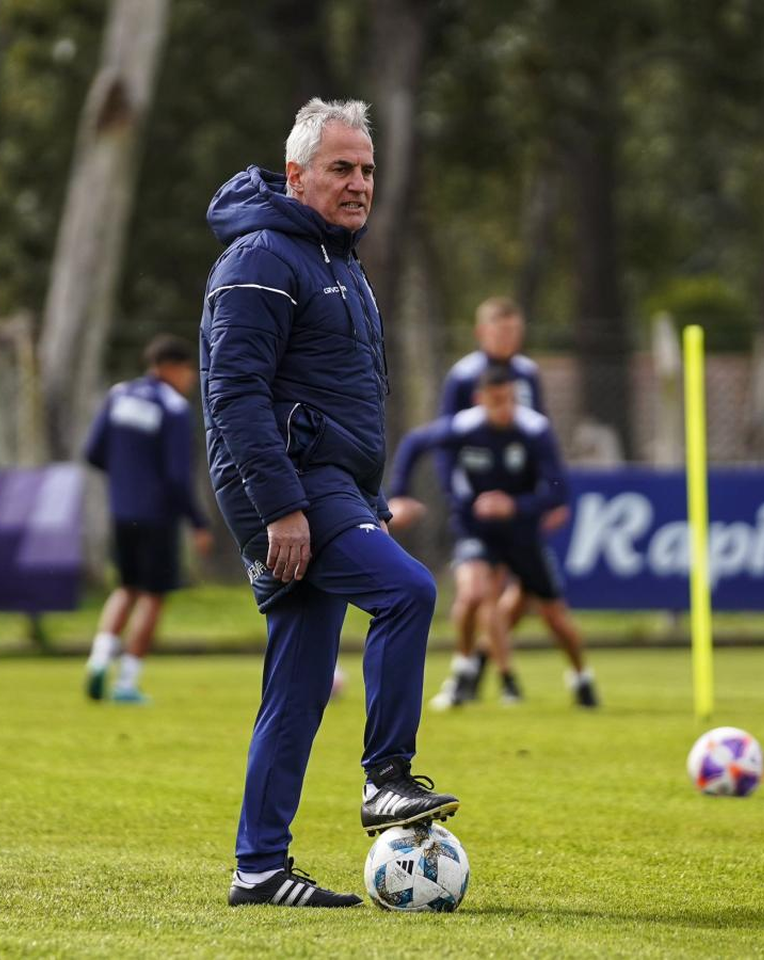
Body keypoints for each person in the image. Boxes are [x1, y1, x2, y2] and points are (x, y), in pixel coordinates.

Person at [201, 98, 458, 910]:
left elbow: (346, 400)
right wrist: (282, 508)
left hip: (327, 489)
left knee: (299, 689)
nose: (358, 184)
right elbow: (234, 396)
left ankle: (259, 870)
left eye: (367, 169)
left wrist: (367, 502)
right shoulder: (263, 256)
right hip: (288, 488)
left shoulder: (339, 262)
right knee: (408, 590)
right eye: (341, 168)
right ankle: (386, 778)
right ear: (297, 174)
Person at [388, 362, 599, 709]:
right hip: (477, 530)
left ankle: (582, 677)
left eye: (510, 400)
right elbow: (413, 444)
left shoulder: (534, 430)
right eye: (497, 400)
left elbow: (557, 492)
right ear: (479, 399)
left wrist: (513, 505)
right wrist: (399, 493)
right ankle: (464, 671)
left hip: (522, 533)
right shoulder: (464, 427)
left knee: (554, 617)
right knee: (473, 593)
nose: (505, 409)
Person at [435, 297, 571, 703]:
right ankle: (470, 674)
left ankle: (479, 662)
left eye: (514, 330)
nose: (508, 338)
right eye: (500, 330)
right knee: (480, 591)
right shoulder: (463, 377)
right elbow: (447, 440)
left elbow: (540, 435)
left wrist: (549, 499)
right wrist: (460, 497)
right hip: (481, 504)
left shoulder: (529, 374)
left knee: (524, 595)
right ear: (482, 333)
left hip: (522, 504)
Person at [81, 334, 213, 704]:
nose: (190, 380)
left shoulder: (119, 394)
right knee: (153, 597)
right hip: (157, 515)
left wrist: (127, 478)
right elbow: (176, 475)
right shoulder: (172, 407)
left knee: (125, 588)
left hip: (121, 510)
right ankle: (127, 682)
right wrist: (198, 521)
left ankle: (97, 661)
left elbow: (92, 452)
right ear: (172, 367)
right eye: (188, 371)